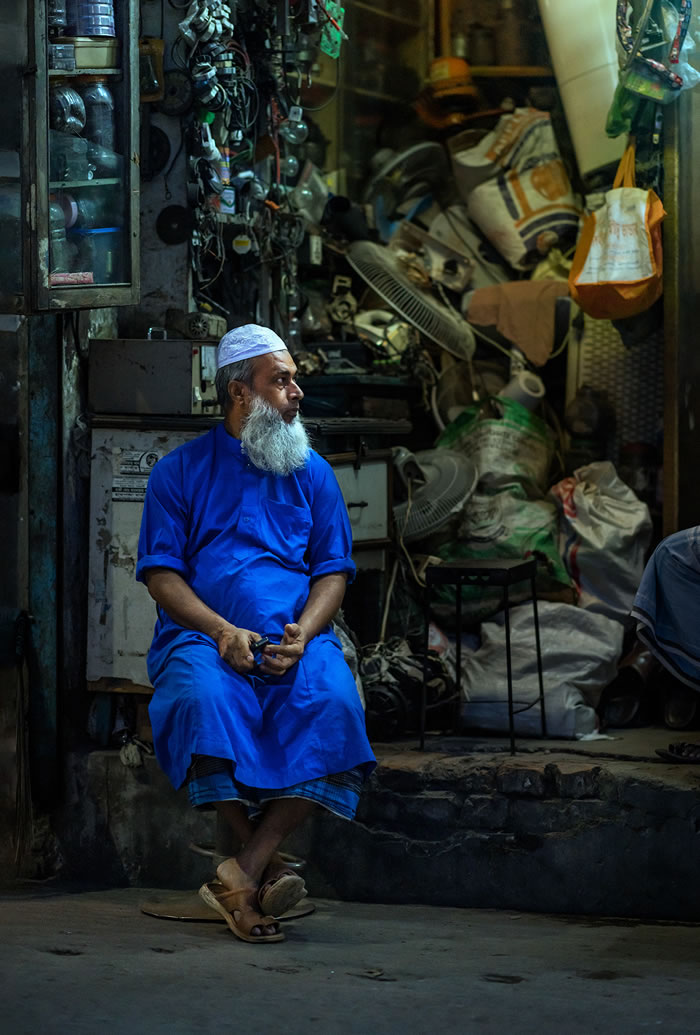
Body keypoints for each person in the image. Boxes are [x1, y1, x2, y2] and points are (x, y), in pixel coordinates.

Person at [136, 324, 376, 943]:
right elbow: (161, 574)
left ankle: (240, 873)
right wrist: (220, 630)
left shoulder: (313, 473)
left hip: (298, 641)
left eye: (294, 378)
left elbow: (332, 573)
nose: (298, 391)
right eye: (282, 380)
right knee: (201, 699)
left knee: (334, 703)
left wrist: (305, 636)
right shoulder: (178, 472)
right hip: (204, 641)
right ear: (240, 393)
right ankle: (259, 875)